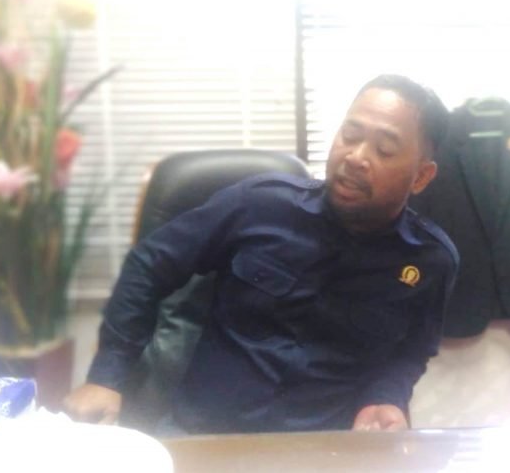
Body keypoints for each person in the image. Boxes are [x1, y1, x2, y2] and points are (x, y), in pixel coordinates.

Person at [63, 74, 459, 434]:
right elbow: (149, 265)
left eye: (385, 149)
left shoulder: (430, 262)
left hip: (326, 447)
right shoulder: (259, 205)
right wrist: (106, 376)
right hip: (204, 436)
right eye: (349, 135)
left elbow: (411, 352)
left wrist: (386, 397)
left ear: (421, 176)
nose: (355, 157)